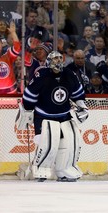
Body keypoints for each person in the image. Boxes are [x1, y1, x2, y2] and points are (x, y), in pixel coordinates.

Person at [19, 51, 88, 182]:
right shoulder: (41, 75)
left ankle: (65, 169)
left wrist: (82, 106)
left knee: (72, 141)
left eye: (59, 59)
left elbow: (77, 93)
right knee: (46, 143)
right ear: (49, 62)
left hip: (64, 115)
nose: (57, 61)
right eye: (55, 59)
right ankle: (40, 168)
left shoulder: (69, 74)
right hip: (44, 116)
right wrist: (27, 111)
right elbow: (29, 96)